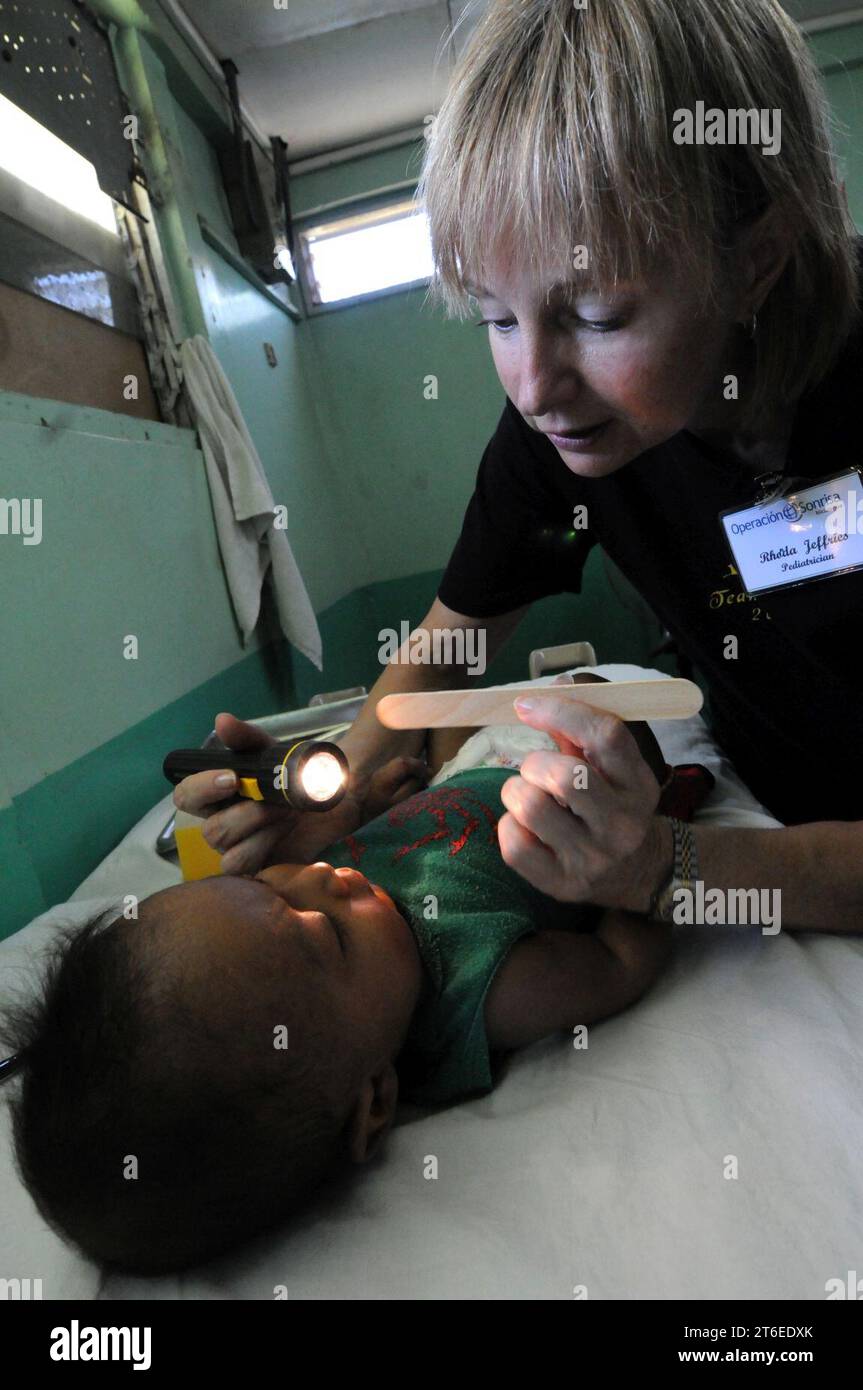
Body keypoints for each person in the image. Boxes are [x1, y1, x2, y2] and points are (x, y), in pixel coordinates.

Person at [176, 0, 863, 933]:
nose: (534, 387)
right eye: (496, 317)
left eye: (597, 316)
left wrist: (676, 869)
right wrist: (331, 789)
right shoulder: (563, 440)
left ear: (755, 261)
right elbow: (451, 646)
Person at [2, 685, 714, 1274]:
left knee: (445, 704)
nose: (320, 877)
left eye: (268, 883)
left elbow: (365, 836)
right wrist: (656, 837)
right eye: (330, 935)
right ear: (374, 1100)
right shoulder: (485, 985)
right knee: (598, 703)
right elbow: (620, 963)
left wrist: (369, 801)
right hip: (572, 797)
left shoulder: (323, 922)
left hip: (464, 774)